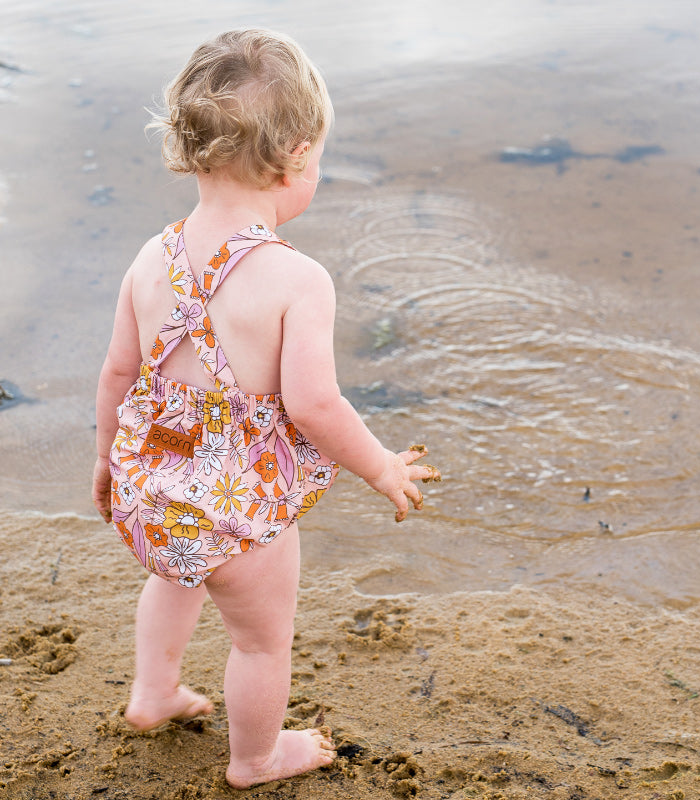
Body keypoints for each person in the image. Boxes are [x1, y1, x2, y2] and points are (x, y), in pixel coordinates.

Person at [91, 28, 440, 790]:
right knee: (259, 643)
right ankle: (256, 758)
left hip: (151, 488)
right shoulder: (295, 279)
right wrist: (380, 466)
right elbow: (314, 404)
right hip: (238, 508)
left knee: (178, 576)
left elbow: (118, 374)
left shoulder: (152, 258)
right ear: (300, 154)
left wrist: (104, 462)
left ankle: (154, 693)